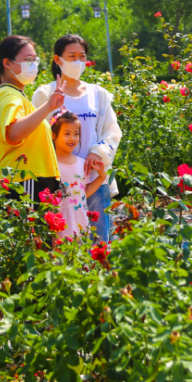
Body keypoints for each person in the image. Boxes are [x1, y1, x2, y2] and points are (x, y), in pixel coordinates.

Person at [32, 34, 122, 242]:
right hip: (60, 184)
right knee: (63, 244)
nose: (77, 61)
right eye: (71, 56)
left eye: (81, 56)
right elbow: (37, 135)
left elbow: (112, 130)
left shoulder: (98, 94)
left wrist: (96, 151)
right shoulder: (45, 94)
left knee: (99, 244)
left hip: (94, 180)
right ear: (58, 60)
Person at [0, 35, 65, 203]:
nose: (33, 65)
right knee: (31, 229)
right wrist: (48, 106)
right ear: (7, 63)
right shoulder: (9, 95)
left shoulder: (16, 94)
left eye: (34, 60)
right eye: (28, 59)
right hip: (25, 179)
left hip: (31, 178)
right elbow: (14, 133)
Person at [50, 110, 107, 237]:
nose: (72, 138)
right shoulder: (50, 165)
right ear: (53, 135)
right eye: (67, 133)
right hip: (58, 232)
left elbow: (83, 193)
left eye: (76, 134)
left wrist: (101, 176)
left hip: (81, 229)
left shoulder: (81, 164)